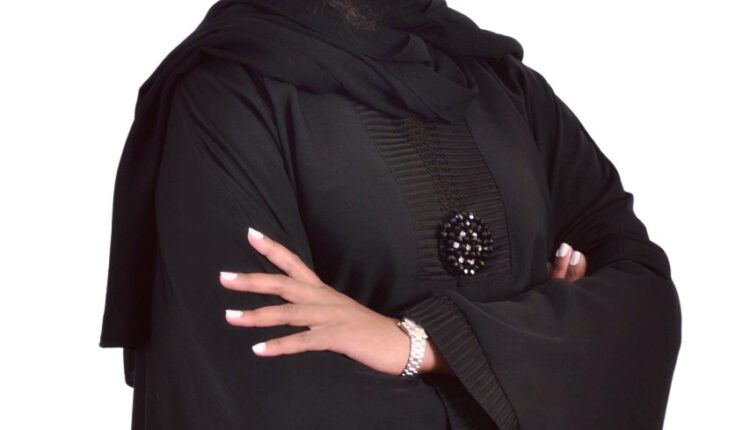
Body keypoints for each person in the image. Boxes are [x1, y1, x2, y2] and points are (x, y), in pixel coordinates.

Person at [99, 1, 682, 429]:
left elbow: (643, 309)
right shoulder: (226, 99)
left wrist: (417, 346)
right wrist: (545, 359)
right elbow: (268, 400)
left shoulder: (506, 87)